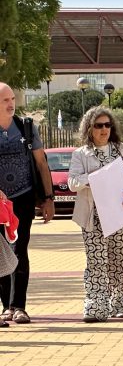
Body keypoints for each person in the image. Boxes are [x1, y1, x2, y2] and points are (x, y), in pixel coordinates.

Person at [67, 107, 123, 322]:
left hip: (121, 214)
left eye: (107, 125)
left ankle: (116, 300)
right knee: (96, 262)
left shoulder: (121, 149)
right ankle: (94, 306)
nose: (104, 130)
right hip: (93, 218)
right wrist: (94, 177)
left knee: (118, 261)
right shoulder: (80, 154)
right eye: (98, 125)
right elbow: (72, 183)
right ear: (89, 129)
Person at [0, 82, 55, 324]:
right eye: (5, 100)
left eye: (12, 98)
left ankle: (18, 306)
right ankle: (5, 307)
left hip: (22, 197)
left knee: (19, 249)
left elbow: (41, 163)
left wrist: (48, 198)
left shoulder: (25, 127)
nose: (11, 104)